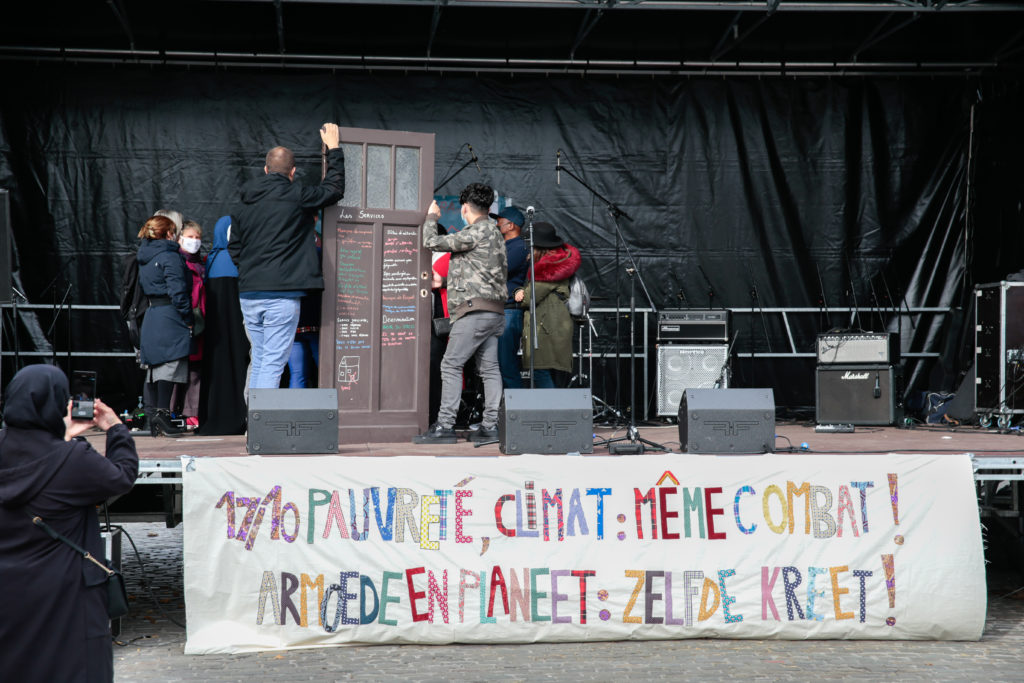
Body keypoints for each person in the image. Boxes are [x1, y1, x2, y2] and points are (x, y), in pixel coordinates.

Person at [0, 364, 138, 683]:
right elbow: (121, 475)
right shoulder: (71, 460)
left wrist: (62, 436)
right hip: (66, 600)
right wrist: (115, 427)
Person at [228, 123, 344, 393]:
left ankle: (254, 424)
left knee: (259, 358)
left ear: (266, 170)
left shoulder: (243, 202)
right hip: (281, 295)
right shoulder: (297, 194)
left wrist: (251, 272)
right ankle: (262, 428)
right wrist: (335, 149)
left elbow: (234, 248)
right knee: (272, 362)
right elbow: (334, 188)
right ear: (292, 172)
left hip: (248, 294)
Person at [414, 183, 507, 444]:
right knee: (489, 369)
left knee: (451, 364)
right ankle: (490, 426)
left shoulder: (475, 231)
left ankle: (444, 426)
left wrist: (432, 217)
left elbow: (431, 241)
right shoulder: (495, 232)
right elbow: (480, 272)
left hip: (474, 312)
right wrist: (444, 282)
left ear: (465, 208)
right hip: (495, 313)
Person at [137, 214, 193, 436]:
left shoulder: (145, 256)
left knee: (156, 366)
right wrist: (188, 317)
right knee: (170, 363)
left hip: (153, 314)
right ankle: (162, 413)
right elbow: (177, 291)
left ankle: (156, 416)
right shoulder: (170, 257)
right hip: (170, 315)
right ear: (169, 233)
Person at [197, 216, 250, 435]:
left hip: (214, 334)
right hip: (237, 329)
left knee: (216, 369)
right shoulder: (240, 260)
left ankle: (215, 417)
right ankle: (240, 416)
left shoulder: (211, 260)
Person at [514, 221, 581, 388]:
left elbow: (529, 297)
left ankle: (552, 413)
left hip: (545, 330)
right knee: (548, 374)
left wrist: (518, 293)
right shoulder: (555, 265)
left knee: (540, 371)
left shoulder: (548, 269)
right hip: (551, 328)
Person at [171, 219, 205, 427]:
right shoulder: (177, 262)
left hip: (199, 323)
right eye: (190, 237)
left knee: (195, 371)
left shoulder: (202, 264)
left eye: (197, 238)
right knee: (175, 370)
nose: (194, 241)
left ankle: (192, 412)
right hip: (181, 321)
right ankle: (170, 411)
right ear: (179, 238)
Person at [491, 206, 529, 388]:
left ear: (511, 225)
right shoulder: (505, 246)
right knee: (496, 365)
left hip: (509, 312)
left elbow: (498, 272)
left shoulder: (519, 248)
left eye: (499, 221)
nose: (496, 224)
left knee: (507, 365)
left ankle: (515, 412)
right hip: (499, 311)